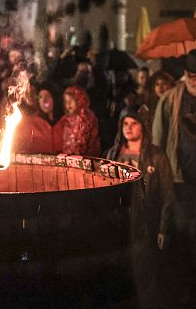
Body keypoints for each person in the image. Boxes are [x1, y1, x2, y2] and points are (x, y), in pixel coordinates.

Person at [107, 106, 174, 309]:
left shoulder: (156, 156)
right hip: (118, 222)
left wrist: (163, 227)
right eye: (125, 123)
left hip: (145, 222)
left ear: (143, 126)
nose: (129, 127)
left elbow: (168, 195)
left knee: (145, 271)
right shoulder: (112, 153)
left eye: (134, 123)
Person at [153, 49, 196, 305]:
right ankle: (184, 293)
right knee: (183, 237)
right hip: (180, 183)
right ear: (186, 75)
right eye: (193, 76)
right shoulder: (170, 100)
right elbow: (158, 143)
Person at [13, 83, 63, 154]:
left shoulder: (63, 123)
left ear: (54, 99)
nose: (44, 100)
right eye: (40, 97)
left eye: (48, 96)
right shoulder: (29, 123)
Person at [57, 85, 101, 156]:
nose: (68, 104)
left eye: (71, 100)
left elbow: (82, 144)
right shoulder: (65, 120)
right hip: (67, 159)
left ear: (79, 99)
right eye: (66, 101)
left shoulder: (86, 118)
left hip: (85, 159)